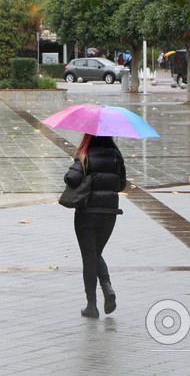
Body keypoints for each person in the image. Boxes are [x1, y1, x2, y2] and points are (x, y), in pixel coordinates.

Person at [64, 134, 127, 318]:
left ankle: (92, 306)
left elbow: (72, 179)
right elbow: (121, 185)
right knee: (96, 254)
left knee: (89, 258)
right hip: (109, 214)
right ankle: (107, 288)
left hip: (87, 213)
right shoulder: (116, 155)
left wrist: (73, 170)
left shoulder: (84, 154)